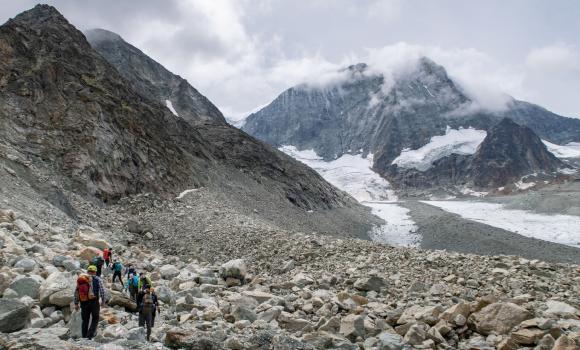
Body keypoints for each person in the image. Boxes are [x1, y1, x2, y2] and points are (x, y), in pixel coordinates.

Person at [74, 265, 106, 340]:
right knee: (95, 318)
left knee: (85, 320)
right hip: (94, 301)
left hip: (83, 302)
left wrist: (76, 303)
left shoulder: (81, 279)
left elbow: (76, 292)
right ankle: (89, 336)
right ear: (95, 272)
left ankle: (84, 336)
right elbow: (102, 291)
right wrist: (103, 301)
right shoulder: (97, 279)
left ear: (87, 271)